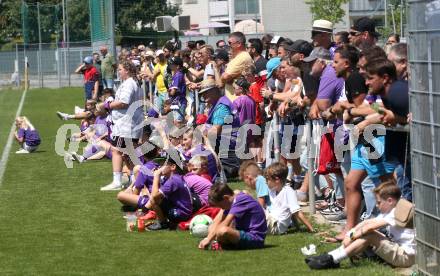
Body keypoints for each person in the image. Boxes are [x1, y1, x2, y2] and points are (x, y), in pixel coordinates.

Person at [306, 181, 415, 269]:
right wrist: (350, 234)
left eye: (379, 202)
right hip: (398, 250)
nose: (377, 206)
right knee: (365, 231)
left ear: (390, 201)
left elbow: (370, 228)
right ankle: (332, 257)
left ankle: (332, 259)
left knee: (370, 234)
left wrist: (351, 237)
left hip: (405, 257)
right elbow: (366, 222)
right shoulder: (390, 211)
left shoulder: (395, 212)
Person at [100, 61, 144, 191]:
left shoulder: (129, 83)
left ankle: (118, 181)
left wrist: (107, 105)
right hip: (129, 124)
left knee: (117, 151)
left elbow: (124, 102)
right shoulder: (132, 83)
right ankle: (136, 180)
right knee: (129, 153)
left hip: (126, 125)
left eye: (120, 69)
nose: (118, 72)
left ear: (127, 70)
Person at [198, 182, 267, 250]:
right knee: (212, 227)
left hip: (254, 238)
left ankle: (223, 245)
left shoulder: (241, 200)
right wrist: (207, 238)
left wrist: (209, 239)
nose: (221, 208)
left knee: (223, 231)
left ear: (226, 198)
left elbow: (225, 223)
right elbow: (217, 221)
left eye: (221, 206)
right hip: (242, 233)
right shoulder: (231, 201)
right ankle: (221, 243)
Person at [144, 154, 194, 230]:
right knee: (156, 199)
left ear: (173, 167)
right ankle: (163, 221)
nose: (159, 168)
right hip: (184, 212)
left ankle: (163, 224)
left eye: (163, 165)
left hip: (180, 214)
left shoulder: (173, 180)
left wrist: (156, 176)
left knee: (154, 199)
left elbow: (154, 196)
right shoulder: (174, 178)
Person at [264, 162, 314, 234]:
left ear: (277, 180)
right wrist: (297, 227)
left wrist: (311, 229)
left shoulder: (288, 191)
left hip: (276, 225)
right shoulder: (272, 191)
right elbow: (292, 212)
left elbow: (297, 212)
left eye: (268, 179)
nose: (266, 182)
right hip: (271, 220)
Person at [221, 32, 254, 101]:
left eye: (230, 43)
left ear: (239, 44)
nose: (228, 45)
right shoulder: (238, 57)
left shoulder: (243, 57)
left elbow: (225, 77)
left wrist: (225, 77)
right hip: (233, 100)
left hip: (237, 101)